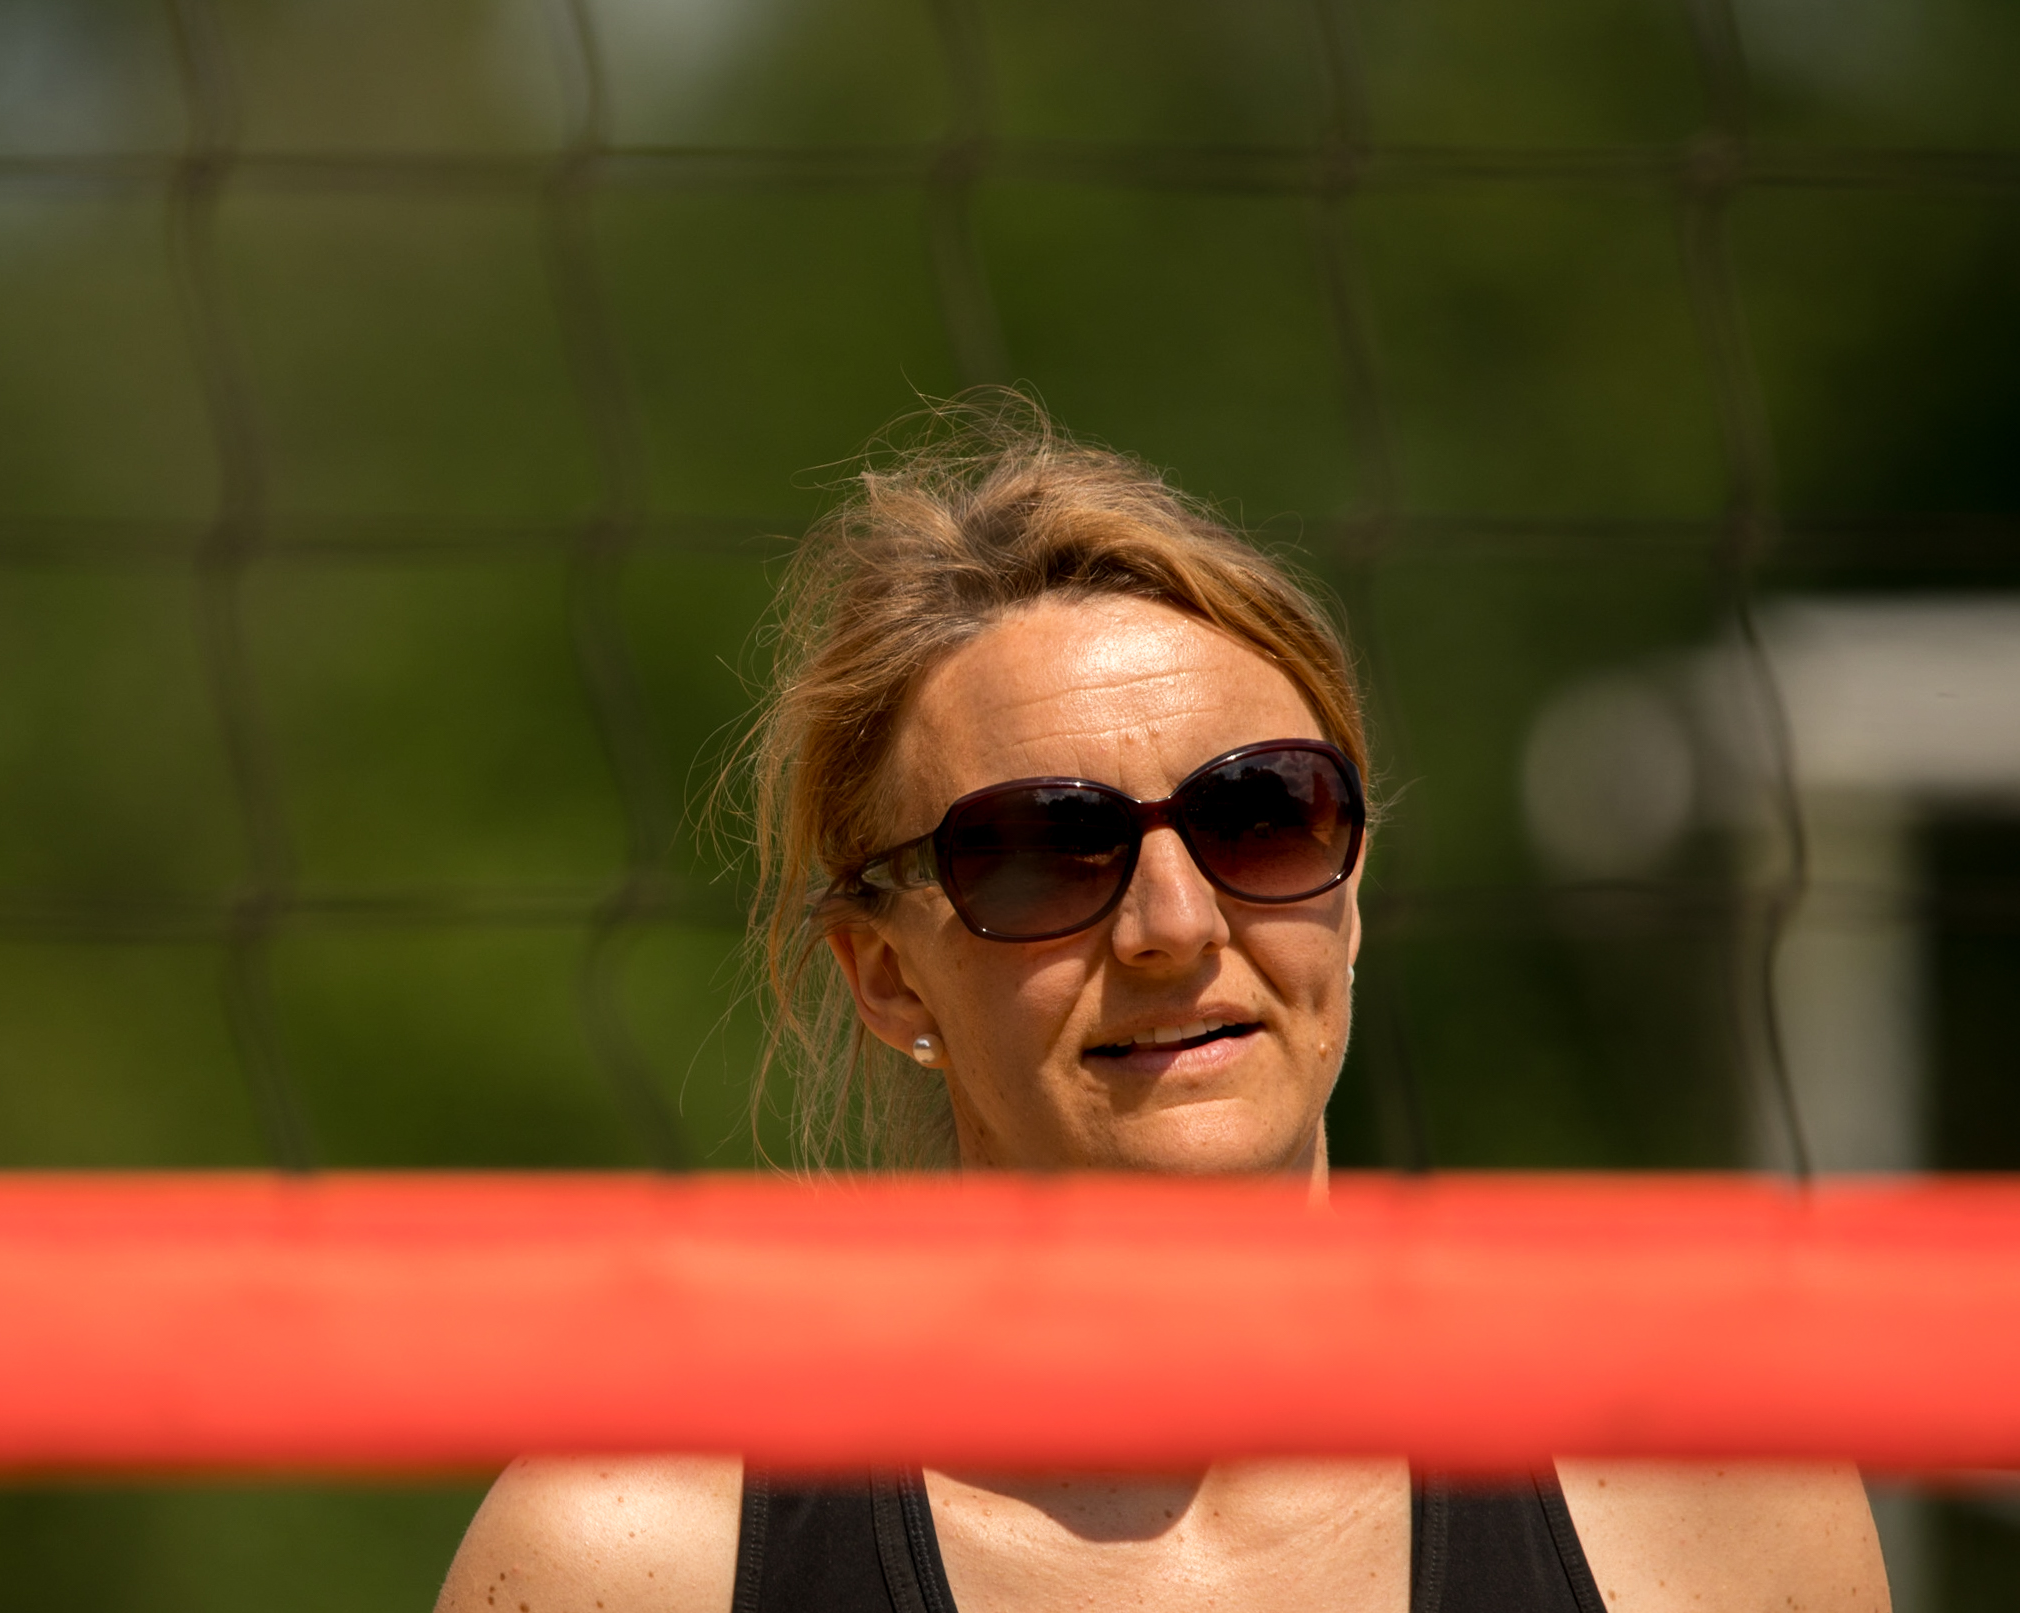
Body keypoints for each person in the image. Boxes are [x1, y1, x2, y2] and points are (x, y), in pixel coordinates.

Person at [436, 399, 1890, 1613]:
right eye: (1044, 851)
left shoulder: (1711, 1504)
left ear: (1353, 885)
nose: (1175, 926)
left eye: (1264, 817)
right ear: (884, 973)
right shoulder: (637, 1552)